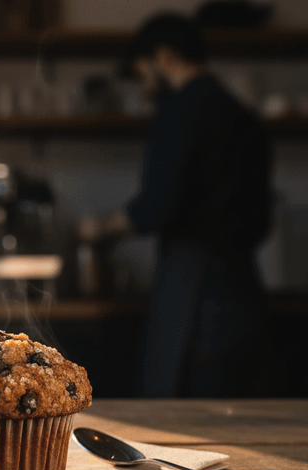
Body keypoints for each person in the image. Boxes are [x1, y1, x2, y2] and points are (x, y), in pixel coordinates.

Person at [80, 13, 273, 398]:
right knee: (234, 417)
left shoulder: (179, 110)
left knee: (180, 416)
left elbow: (154, 208)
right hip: (244, 290)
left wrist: (96, 229)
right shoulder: (243, 114)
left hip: (194, 292)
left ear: (164, 56)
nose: (143, 86)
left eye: (142, 72)